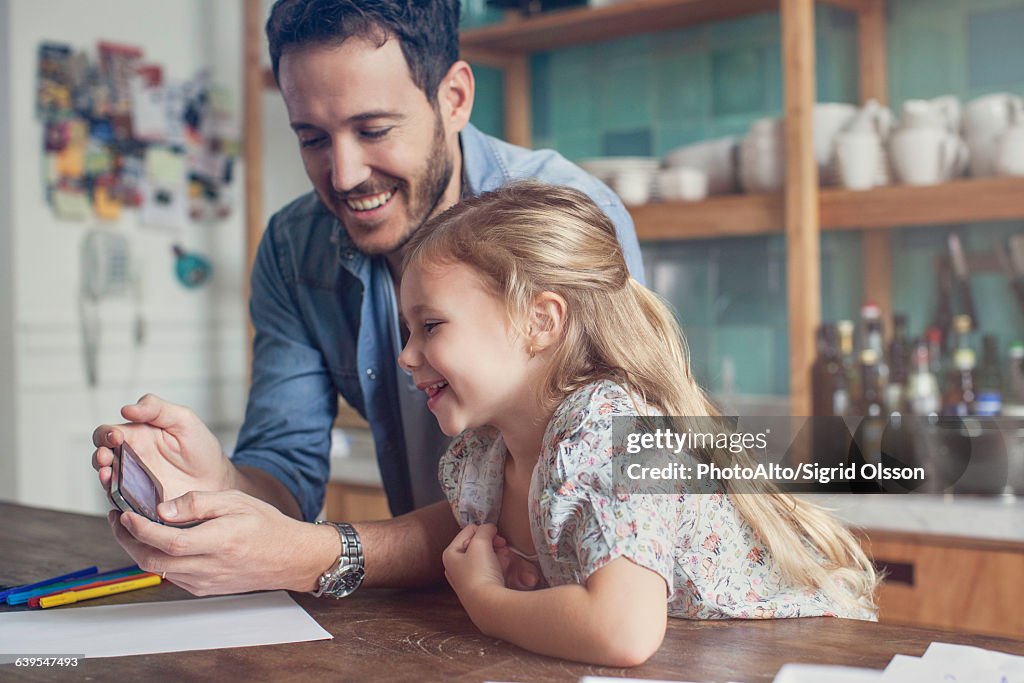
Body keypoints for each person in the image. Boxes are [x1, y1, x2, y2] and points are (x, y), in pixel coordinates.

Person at [91, 0, 642, 596]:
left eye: (374, 130)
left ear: (453, 98)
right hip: (435, 616)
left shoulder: (567, 222)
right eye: (311, 138)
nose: (345, 173)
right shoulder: (293, 247)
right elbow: (285, 476)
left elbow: (623, 475)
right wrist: (213, 486)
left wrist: (326, 554)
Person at [395, 181, 878, 665]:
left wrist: (485, 600)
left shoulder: (611, 430)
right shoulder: (478, 460)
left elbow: (622, 631)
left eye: (431, 326)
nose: (406, 356)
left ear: (540, 321)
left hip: (805, 661)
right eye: (407, 330)